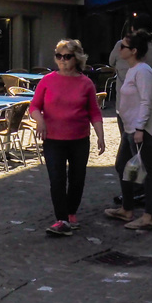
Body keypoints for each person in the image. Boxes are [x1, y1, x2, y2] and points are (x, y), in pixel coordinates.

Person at [29, 39, 105, 237]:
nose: (62, 60)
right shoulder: (47, 80)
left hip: (79, 138)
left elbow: (94, 112)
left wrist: (100, 136)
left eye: (67, 57)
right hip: (53, 138)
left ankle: (71, 213)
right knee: (57, 178)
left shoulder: (86, 83)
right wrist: (40, 121)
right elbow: (34, 106)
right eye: (59, 56)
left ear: (76, 58)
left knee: (77, 179)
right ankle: (61, 219)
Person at [105, 31, 152, 232]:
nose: (120, 49)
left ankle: (149, 215)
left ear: (134, 51)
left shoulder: (143, 71)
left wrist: (139, 128)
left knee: (146, 172)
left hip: (141, 130)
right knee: (122, 166)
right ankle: (127, 209)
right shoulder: (132, 70)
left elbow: (146, 101)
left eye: (124, 47)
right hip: (129, 128)